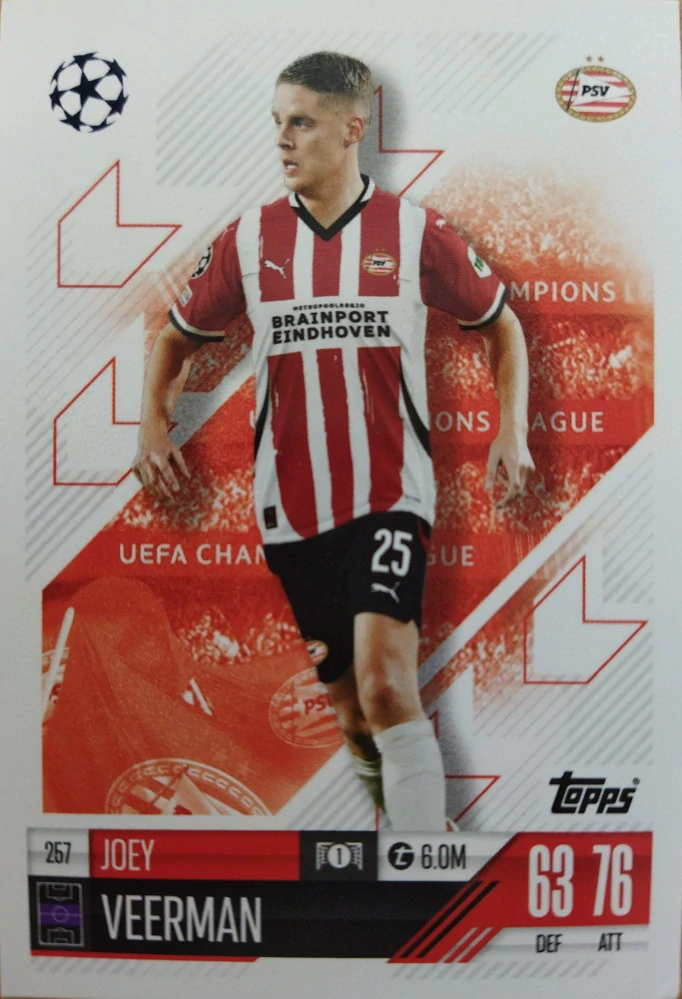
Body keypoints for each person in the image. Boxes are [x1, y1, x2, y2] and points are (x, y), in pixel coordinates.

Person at [133, 51, 534, 832]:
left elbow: (502, 326)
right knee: (351, 710)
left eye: (302, 122)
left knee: (386, 686)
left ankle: (420, 859)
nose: (283, 139)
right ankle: (419, 824)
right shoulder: (249, 239)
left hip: (390, 495)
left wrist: (510, 429)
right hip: (289, 508)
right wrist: (154, 421)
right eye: (277, 122)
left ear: (353, 129)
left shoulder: (414, 232)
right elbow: (177, 340)